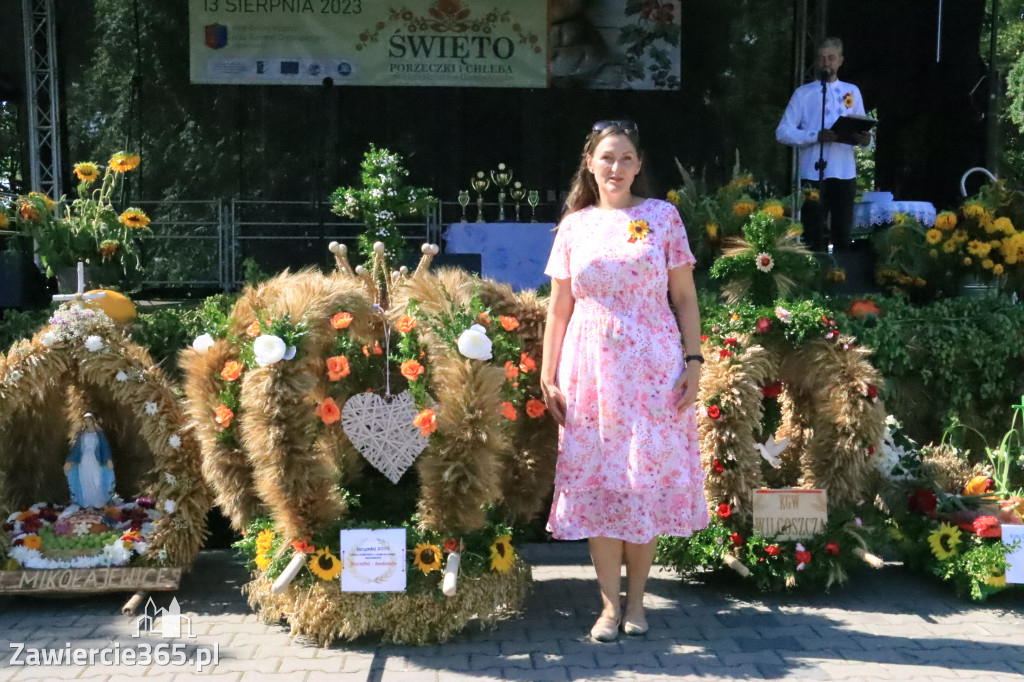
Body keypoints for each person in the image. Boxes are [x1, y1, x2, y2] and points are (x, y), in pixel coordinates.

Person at [540, 120, 709, 642]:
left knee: (641, 484)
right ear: (589, 162)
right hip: (590, 372)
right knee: (599, 486)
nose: (616, 168)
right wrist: (548, 374)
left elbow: (684, 297)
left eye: (627, 158)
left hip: (653, 370)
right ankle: (608, 607)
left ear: (639, 165)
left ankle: (638, 603)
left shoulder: (662, 218)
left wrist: (695, 360)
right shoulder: (574, 226)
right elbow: (559, 308)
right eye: (607, 157)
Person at [776, 37, 872, 253]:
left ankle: (841, 278)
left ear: (840, 61)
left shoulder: (852, 91)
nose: (826, 62)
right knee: (813, 230)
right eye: (821, 58)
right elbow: (782, 132)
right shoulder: (804, 93)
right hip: (813, 171)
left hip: (844, 171)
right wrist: (814, 136)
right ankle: (814, 279)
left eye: (831, 58)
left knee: (842, 230)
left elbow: (865, 129)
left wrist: (866, 140)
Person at [64, 412, 116, 508]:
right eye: (86, 421)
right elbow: (76, 448)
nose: (87, 423)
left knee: (97, 479)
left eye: (89, 420)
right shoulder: (81, 434)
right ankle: (86, 502)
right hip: (84, 460)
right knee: (85, 480)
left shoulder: (99, 434)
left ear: (93, 421)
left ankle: (98, 502)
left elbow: (105, 447)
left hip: (95, 460)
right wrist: (70, 461)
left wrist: (108, 459)